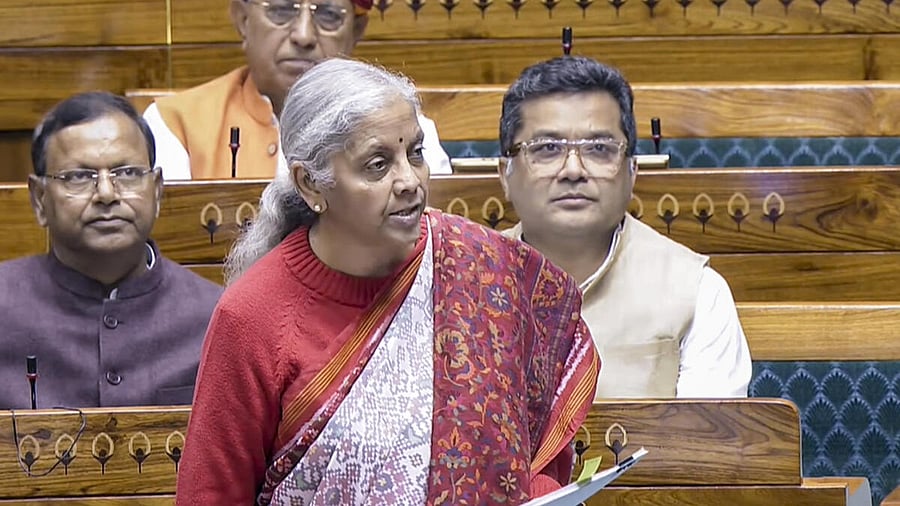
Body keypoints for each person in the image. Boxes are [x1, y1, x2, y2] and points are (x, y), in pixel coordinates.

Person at [176, 59, 599, 505]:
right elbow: (212, 492)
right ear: (310, 184)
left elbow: (531, 453)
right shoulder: (253, 315)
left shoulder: (480, 267)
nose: (410, 182)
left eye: (415, 154)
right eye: (377, 165)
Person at [498, 56, 751, 399]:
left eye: (599, 149)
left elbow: (708, 447)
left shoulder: (696, 291)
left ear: (632, 172)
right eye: (547, 149)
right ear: (505, 174)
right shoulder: (464, 287)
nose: (573, 170)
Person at [0, 92, 222, 409]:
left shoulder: (218, 318)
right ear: (39, 199)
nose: (106, 193)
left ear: (157, 191)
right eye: (79, 177)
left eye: (127, 173)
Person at [143, 0, 452, 180]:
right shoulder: (175, 123)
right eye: (281, 9)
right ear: (242, 19)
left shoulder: (406, 130)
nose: (303, 35)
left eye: (328, 15)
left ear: (356, 32)